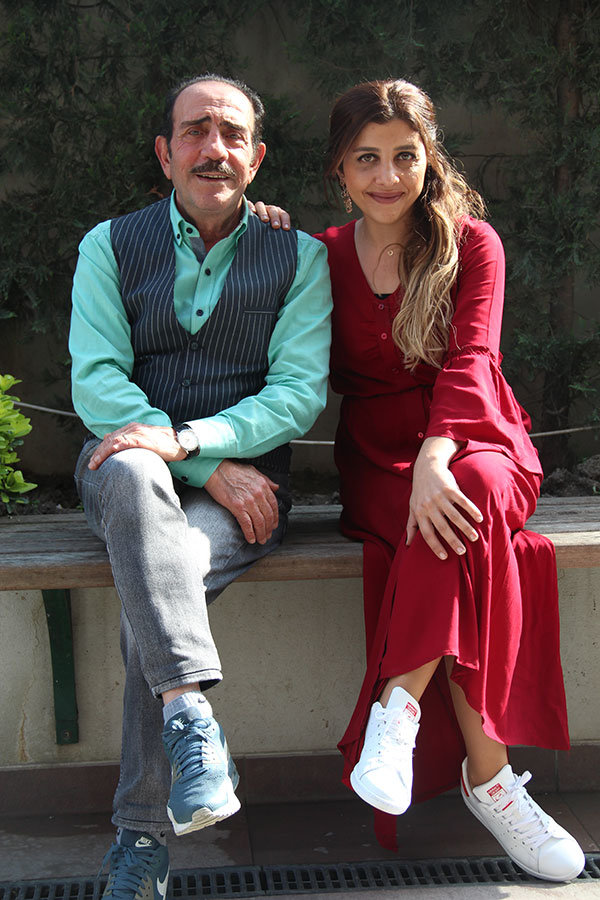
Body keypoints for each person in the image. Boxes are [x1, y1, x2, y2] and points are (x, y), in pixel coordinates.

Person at [253, 78, 584, 883]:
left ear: (430, 158)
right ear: (339, 169)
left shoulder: (472, 243)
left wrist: (438, 454)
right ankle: (490, 779)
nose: (388, 176)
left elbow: (474, 358)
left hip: (480, 435)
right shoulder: (318, 257)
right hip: (376, 454)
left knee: (465, 496)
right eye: (367, 158)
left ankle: (396, 714)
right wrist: (260, 235)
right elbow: (277, 348)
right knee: (443, 527)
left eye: (405, 156)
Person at [69, 73, 332, 899]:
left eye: (232, 134)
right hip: (127, 476)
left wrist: (192, 442)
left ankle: (141, 839)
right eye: (194, 131)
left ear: (257, 157)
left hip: (248, 492)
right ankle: (191, 717)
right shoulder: (108, 246)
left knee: (161, 580)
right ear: (165, 152)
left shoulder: (301, 258)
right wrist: (200, 463)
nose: (213, 148)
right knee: (132, 467)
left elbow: (297, 394)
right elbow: (98, 381)